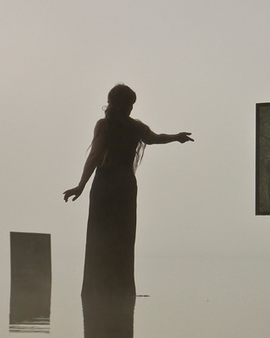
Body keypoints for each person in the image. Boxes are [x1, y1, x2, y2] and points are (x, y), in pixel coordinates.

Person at [63, 84, 192, 297]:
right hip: (125, 185)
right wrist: (176, 137)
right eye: (129, 104)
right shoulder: (134, 127)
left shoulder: (106, 125)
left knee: (100, 237)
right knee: (122, 239)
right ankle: (121, 290)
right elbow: (154, 138)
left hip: (106, 184)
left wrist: (81, 185)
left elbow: (95, 156)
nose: (131, 109)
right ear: (122, 104)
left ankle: (97, 291)